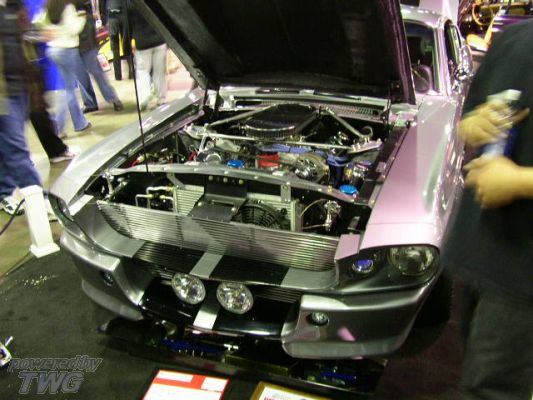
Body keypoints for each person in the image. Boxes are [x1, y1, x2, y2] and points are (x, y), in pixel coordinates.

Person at [442, 20, 533, 400]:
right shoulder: (515, 39)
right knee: (475, 374)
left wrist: (519, 181)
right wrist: (472, 126)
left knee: (492, 390)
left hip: (524, 275)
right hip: (482, 254)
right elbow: (471, 116)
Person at [0, 0, 42, 215]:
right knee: (17, 149)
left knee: (7, 146)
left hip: (21, 87)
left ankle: (3, 192)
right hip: (2, 94)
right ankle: (40, 202)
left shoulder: (13, 8)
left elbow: (23, 43)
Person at [40, 0, 91, 133]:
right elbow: (73, 30)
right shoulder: (68, 7)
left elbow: (40, 24)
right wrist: (81, 18)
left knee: (65, 88)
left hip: (53, 49)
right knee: (68, 91)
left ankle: (78, 123)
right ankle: (59, 127)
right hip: (67, 50)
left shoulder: (47, 6)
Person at [74, 0, 123, 113]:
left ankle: (113, 99)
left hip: (86, 41)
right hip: (73, 44)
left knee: (97, 73)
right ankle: (90, 103)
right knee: (81, 76)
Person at [130, 6, 167, 110]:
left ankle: (144, 98)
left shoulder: (131, 3)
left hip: (142, 42)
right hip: (159, 40)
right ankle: (161, 99)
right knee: (159, 72)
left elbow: (128, 23)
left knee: (142, 71)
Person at [105, 0, 132, 81]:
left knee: (115, 47)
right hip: (124, 12)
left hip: (112, 12)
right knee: (126, 45)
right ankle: (132, 72)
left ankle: (118, 76)